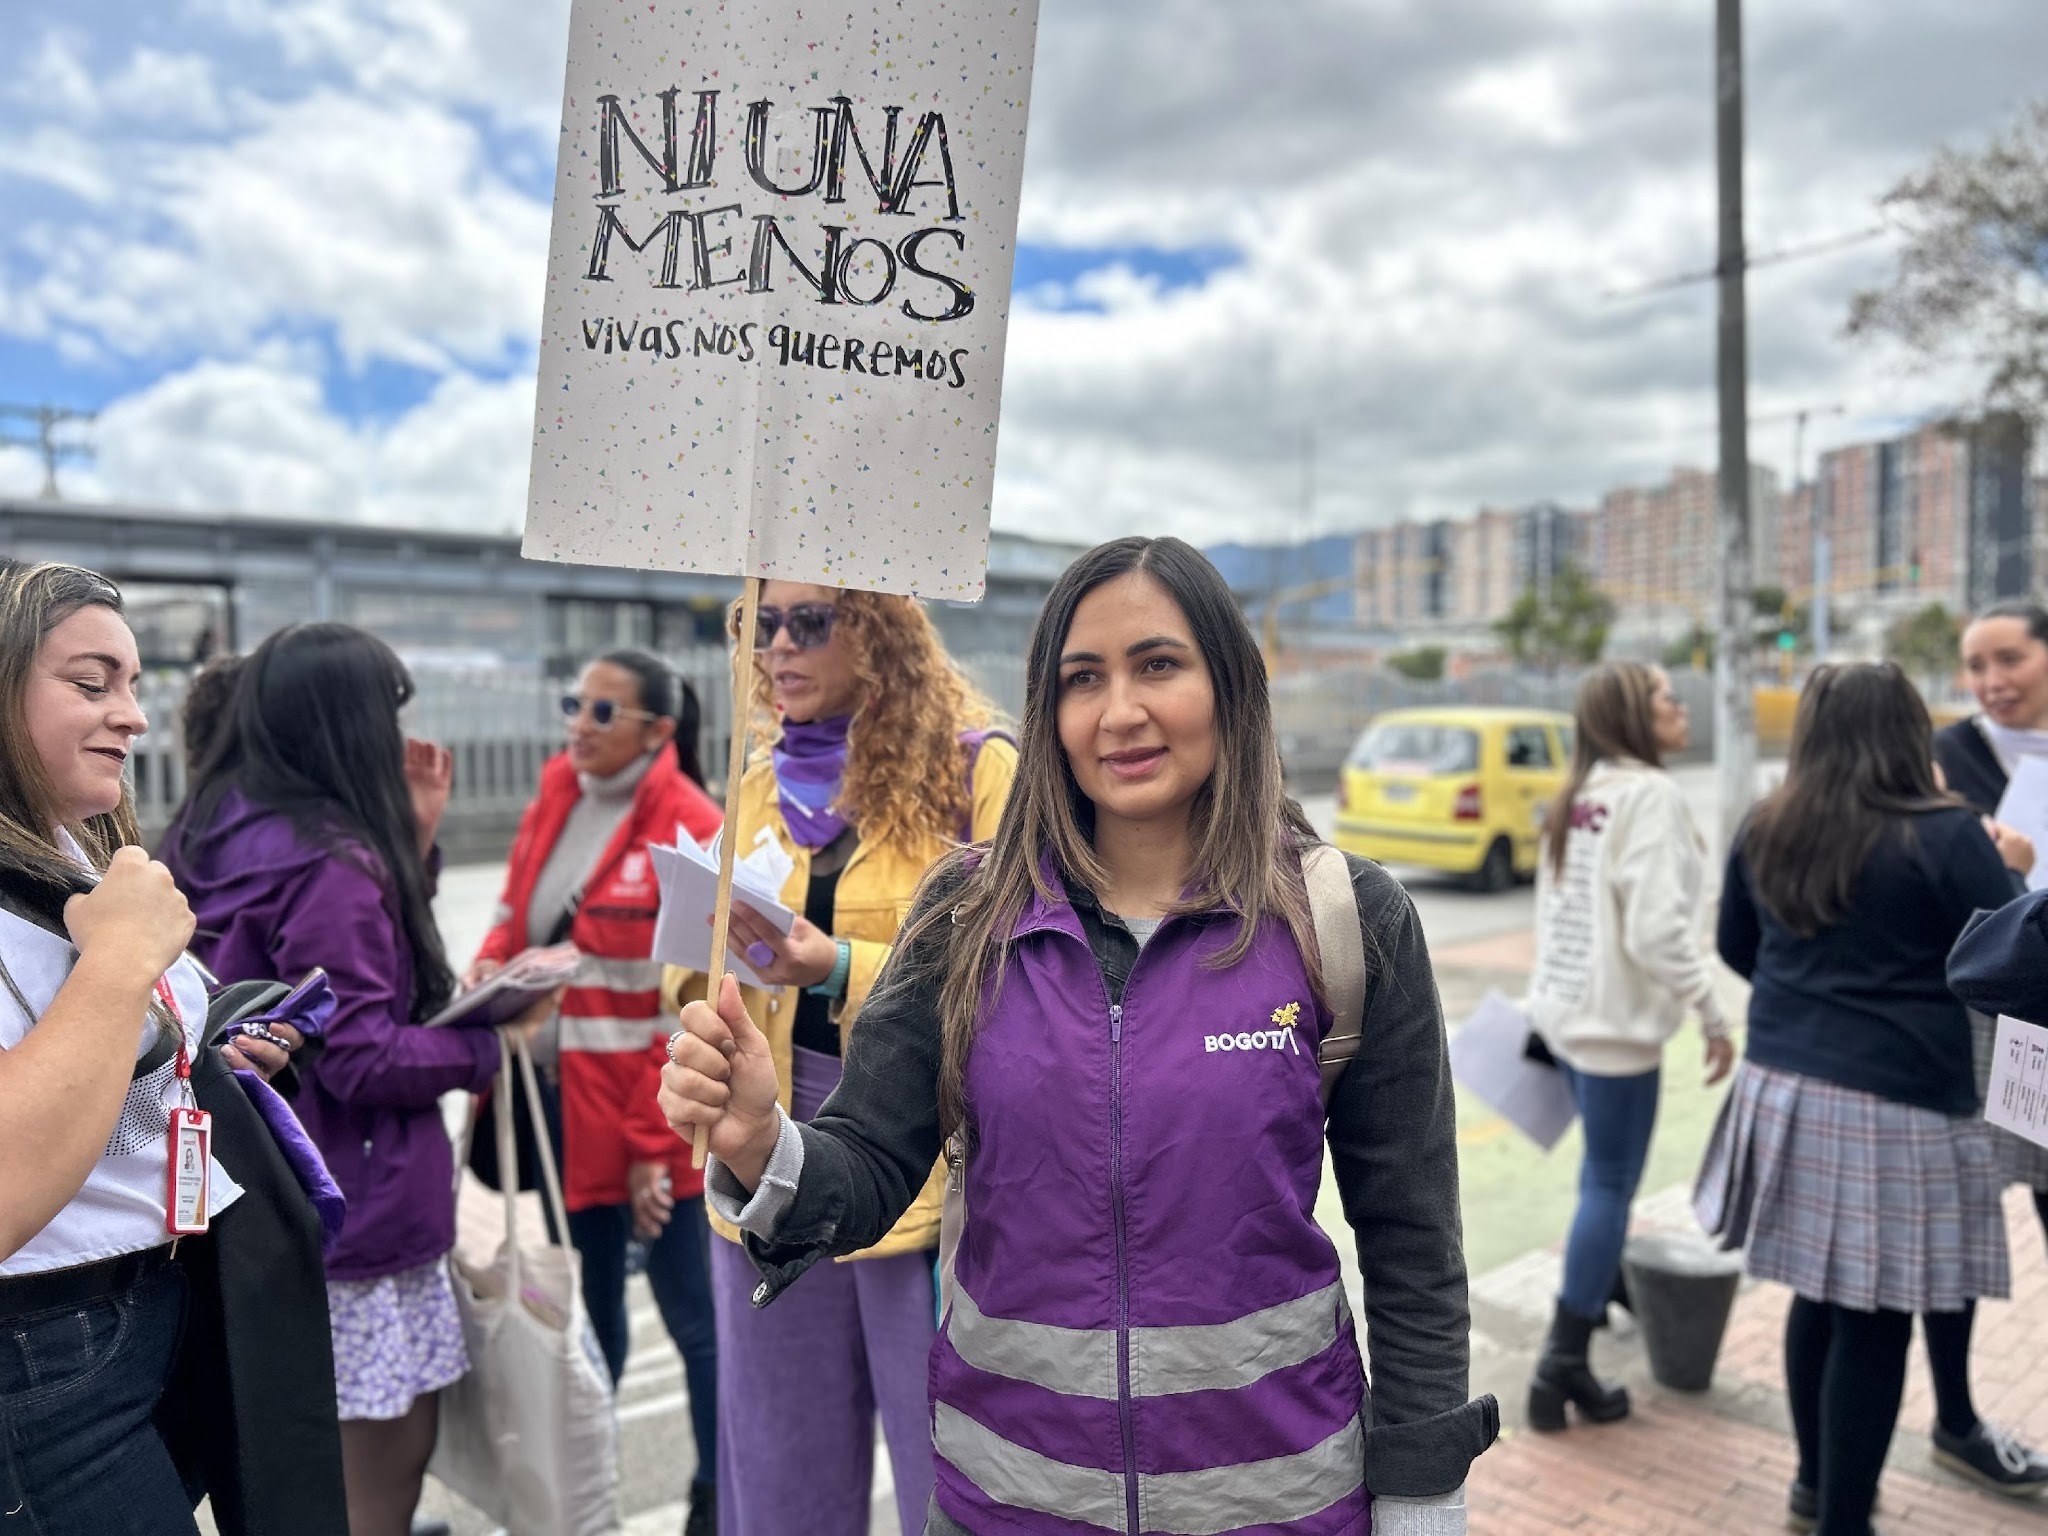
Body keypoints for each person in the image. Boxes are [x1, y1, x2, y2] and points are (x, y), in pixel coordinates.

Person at [661, 537, 1499, 1536]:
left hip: (1280, 1505)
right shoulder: (963, 916)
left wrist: (1421, 1491)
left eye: (1157, 665)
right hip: (1007, 1508)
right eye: (1081, 679)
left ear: (1229, 684)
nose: (1119, 713)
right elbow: (868, 1172)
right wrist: (761, 1141)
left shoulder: (1347, 920)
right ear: (1047, 710)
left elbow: (1411, 1240)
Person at [164, 623, 550, 1536]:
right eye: (389, 708)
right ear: (348, 722)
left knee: (288, 1475)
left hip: (246, 1204)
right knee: (377, 1487)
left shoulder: (207, 831)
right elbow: (365, 1054)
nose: (399, 731)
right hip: (360, 1212)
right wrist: (499, 1046)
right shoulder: (334, 863)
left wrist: (409, 844)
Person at [657, 581, 1018, 1536]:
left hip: (929, 1169)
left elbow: (1028, 969)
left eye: (808, 623)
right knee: (780, 1471)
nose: (777, 647)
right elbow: (690, 975)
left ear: (883, 632)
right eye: (758, 623)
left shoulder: (978, 772)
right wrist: (706, 986)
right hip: (765, 1151)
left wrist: (842, 965)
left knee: (949, 1473)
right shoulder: (756, 784)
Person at [0, 561, 342, 1534]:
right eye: (90, 682)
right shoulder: (90, 893)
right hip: (44, 1364)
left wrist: (207, 1065)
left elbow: (79, 1073)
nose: (134, 716)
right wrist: (119, 961)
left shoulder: (65, 849)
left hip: (136, 1328)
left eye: (134, 684)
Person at [1696, 663, 2031, 1535]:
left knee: (1820, 1298)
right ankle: (1844, 1521)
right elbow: (2015, 963)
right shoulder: (1949, 835)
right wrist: (2020, 877)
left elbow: (1738, 946)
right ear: (1909, 732)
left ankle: (1815, 1492)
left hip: (1781, 1088)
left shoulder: (1766, 825)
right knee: (1876, 1323)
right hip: (1898, 1104)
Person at [466, 649, 724, 1533]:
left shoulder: (691, 827)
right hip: (566, 1111)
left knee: (696, 1319)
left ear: (659, 730)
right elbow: (513, 913)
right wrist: (491, 969)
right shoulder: (556, 797)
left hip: (657, 1124)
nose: (578, 723)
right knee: (595, 1312)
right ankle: (594, 1495)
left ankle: (717, 1496)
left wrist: (659, 1146)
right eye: (576, 703)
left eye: (603, 712)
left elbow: (689, 1001)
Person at [1522, 662, 1733, 1431]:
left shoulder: (1581, 795)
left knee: (1600, 1183)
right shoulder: (1649, 796)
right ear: (1635, 718)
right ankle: (1561, 1364)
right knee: (1609, 1187)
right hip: (1614, 1035)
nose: (1680, 706)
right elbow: (1656, 930)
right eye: (1667, 698)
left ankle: (1602, 1286)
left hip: (1566, 1020)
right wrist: (1712, 1012)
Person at [1913, 599, 2048, 1497]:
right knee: (1962, 1218)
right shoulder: (1947, 756)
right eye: (1976, 664)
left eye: (2011, 659)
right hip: (1975, 1021)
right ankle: (1956, 1416)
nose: (1992, 680)